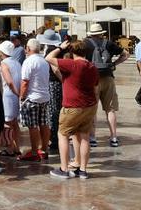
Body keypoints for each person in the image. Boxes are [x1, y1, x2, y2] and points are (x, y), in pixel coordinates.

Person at [45, 40, 99, 179]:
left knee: (63, 134)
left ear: (72, 52)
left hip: (73, 106)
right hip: (89, 106)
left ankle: (63, 169)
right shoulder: (92, 67)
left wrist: (59, 48)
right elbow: (95, 85)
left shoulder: (72, 64)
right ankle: (82, 170)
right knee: (84, 136)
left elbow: (48, 58)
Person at [83, 23, 129, 147]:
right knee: (110, 109)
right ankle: (114, 137)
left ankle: (92, 138)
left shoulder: (86, 44)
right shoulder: (108, 43)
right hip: (108, 77)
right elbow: (126, 54)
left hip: (92, 80)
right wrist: (114, 64)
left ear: (91, 34)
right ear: (101, 33)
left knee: (92, 109)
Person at [19, 39, 51, 161]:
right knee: (44, 123)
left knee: (33, 126)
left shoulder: (29, 61)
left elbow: (25, 82)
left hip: (32, 97)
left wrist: (22, 97)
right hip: (44, 96)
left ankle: (34, 151)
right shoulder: (44, 61)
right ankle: (44, 149)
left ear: (28, 48)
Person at [0, 40, 22, 157]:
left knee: (7, 123)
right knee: (15, 123)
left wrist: (16, 93)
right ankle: (16, 147)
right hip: (16, 95)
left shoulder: (4, 63)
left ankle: (9, 148)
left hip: (9, 94)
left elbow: (9, 81)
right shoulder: (16, 62)